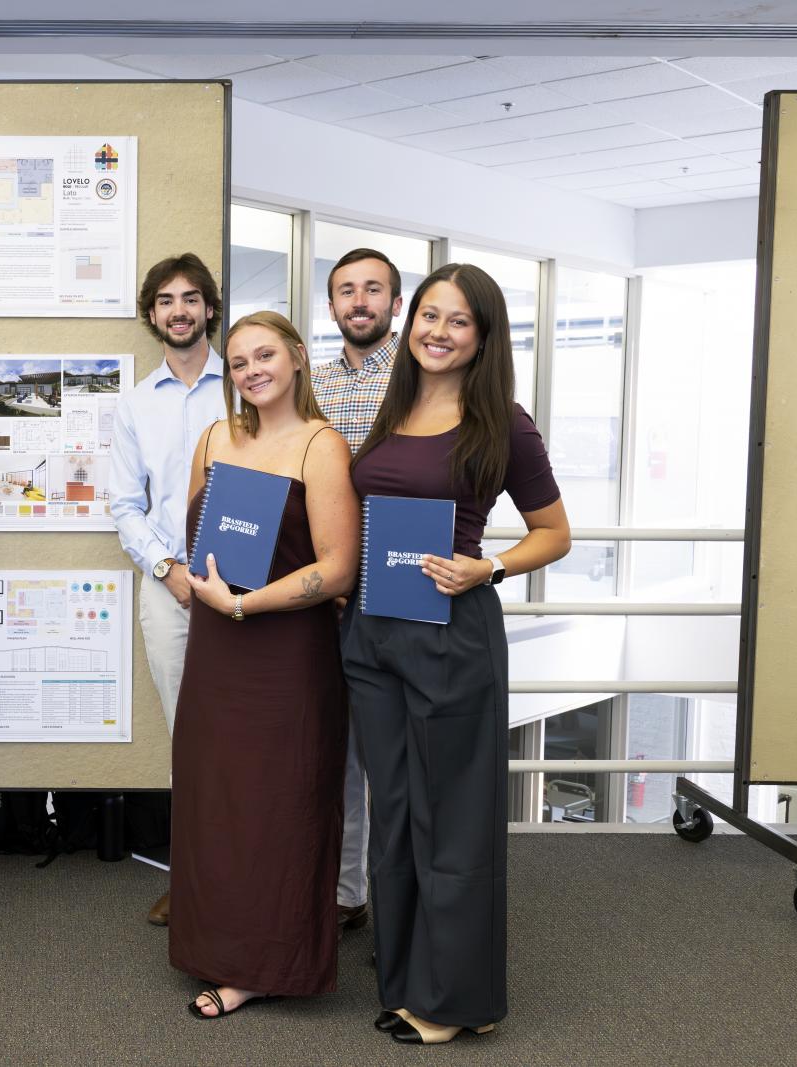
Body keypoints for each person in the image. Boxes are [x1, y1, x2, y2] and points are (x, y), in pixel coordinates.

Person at [344, 263, 570, 1044]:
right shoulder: (393, 405)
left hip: (450, 632)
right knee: (395, 811)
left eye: (458, 321)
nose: (437, 331)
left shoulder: (503, 422)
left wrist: (490, 566)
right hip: (372, 632)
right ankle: (408, 978)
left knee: (453, 817)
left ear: (484, 335)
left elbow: (554, 533)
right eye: (428, 316)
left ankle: (454, 1001)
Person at [169, 310, 359, 1018]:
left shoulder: (322, 446)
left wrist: (245, 606)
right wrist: (197, 585)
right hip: (216, 650)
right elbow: (194, 541)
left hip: (286, 656)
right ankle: (214, 947)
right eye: (239, 361)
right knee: (215, 800)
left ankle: (264, 962)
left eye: (265, 355)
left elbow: (339, 569)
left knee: (279, 807)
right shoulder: (216, 436)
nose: (251, 370)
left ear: (299, 358)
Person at [110, 252, 224, 927]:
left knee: (243, 730)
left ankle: (247, 875)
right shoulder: (134, 403)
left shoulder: (240, 384)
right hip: (169, 582)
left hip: (244, 586)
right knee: (189, 735)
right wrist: (167, 569)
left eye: (191, 298)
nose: (179, 310)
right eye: (166, 300)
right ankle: (195, 882)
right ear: (151, 314)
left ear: (210, 307)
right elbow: (125, 504)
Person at [310, 248, 405, 932]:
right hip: (326, 598)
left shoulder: (421, 376)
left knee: (395, 762)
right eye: (347, 290)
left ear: (395, 304)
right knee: (333, 752)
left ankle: (403, 901)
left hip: (396, 594)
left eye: (374, 289)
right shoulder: (311, 383)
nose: (360, 299)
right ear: (333, 305)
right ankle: (347, 895)